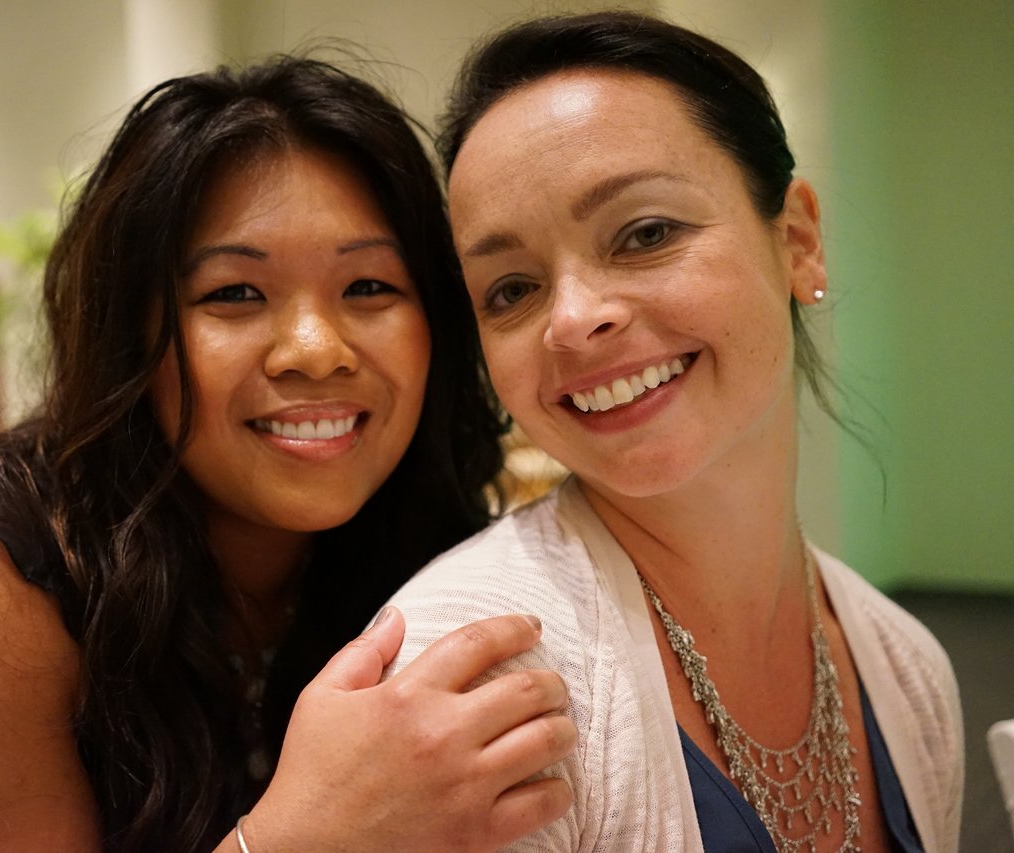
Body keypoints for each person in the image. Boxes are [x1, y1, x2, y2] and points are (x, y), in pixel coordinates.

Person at [0, 56, 577, 853]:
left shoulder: (419, 535)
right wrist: (309, 833)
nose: (315, 350)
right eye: (235, 293)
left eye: (369, 286)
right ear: (133, 337)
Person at [383, 12, 963, 853]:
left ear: (798, 242)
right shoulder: (477, 682)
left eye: (646, 233)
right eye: (511, 289)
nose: (572, 320)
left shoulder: (909, 667)